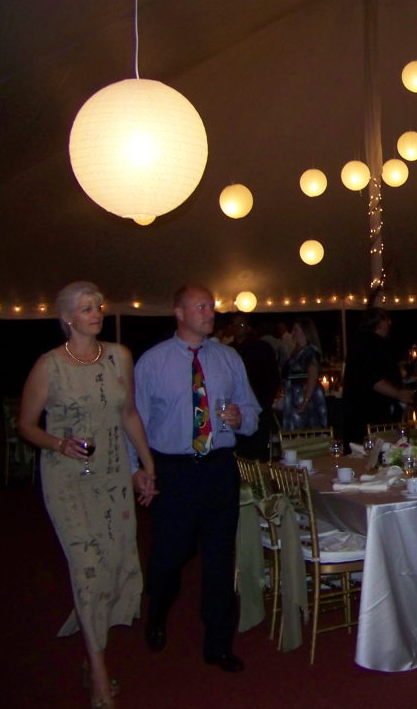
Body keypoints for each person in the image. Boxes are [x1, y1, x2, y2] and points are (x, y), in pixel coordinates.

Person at [18, 281, 156, 709]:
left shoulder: (120, 356)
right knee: (89, 568)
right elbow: (25, 424)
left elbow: (129, 414)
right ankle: (99, 678)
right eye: (84, 308)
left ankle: (90, 646)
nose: (94, 312)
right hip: (69, 480)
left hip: (114, 476)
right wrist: (58, 443)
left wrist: (147, 465)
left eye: (96, 306)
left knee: (115, 568)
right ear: (66, 318)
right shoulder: (49, 366)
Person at [132, 285, 261, 673]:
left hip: (219, 467)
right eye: (201, 306)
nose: (210, 313)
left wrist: (242, 419)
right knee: (169, 557)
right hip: (174, 471)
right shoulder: (152, 363)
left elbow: (252, 412)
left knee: (220, 559)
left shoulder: (228, 358)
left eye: (211, 306)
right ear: (179, 313)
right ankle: (157, 612)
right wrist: (136, 469)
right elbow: (132, 422)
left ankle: (218, 643)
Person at [342, 307, 414, 442]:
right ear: (380, 324)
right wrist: (398, 394)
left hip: (360, 411)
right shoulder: (372, 344)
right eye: (387, 321)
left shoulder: (361, 342)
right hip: (371, 412)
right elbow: (374, 379)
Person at [230, 314, 280, 461]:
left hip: (259, 406)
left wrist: (265, 402)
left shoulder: (261, 348)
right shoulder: (227, 351)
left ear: (248, 328)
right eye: (234, 325)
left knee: (259, 450)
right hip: (235, 410)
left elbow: (273, 377)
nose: (237, 329)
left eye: (241, 325)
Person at [281, 317, 327, 431]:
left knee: (304, 427)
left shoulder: (310, 352)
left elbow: (313, 376)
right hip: (294, 394)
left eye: (296, 330)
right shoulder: (296, 351)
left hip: (303, 394)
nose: (293, 333)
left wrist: (305, 401)